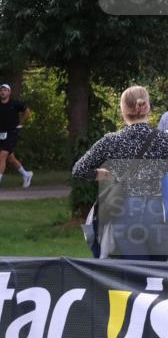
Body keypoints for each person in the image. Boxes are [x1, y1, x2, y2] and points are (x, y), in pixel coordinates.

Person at [72, 85, 168, 261]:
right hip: (155, 215)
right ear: (147, 107)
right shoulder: (163, 140)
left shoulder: (111, 141)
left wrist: (106, 174)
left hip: (123, 213)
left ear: (123, 110)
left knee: (131, 278)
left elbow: (79, 170)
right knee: (160, 278)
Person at [0, 83, 33, 192]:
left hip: (12, 133)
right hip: (1, 134)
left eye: (5, 90)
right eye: (1, 90)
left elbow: (27, 111)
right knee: (10, 158)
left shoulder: (14, 104)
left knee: (2, 156)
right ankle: (26, 174)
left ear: (9, 92)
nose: (2, 92)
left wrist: (21, 123)